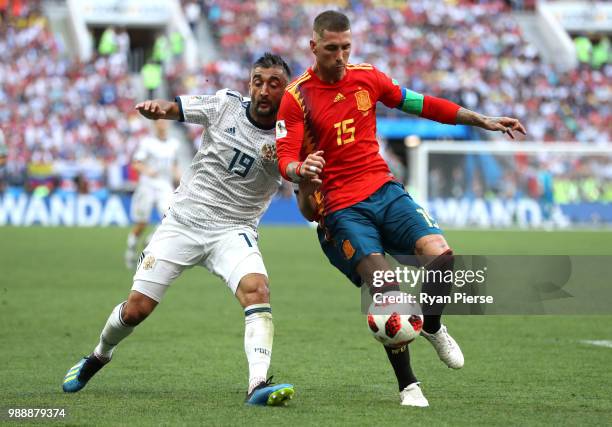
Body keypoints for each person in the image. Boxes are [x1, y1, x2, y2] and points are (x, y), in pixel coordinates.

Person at [276, 10, 526, 407]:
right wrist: (299, 168)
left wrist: (480, 119)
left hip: (385, 190)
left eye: (346, 47)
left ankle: (431, 325)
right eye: (331, 48)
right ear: (313, 47)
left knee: (442, 256)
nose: (340, 56)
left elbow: (420, 103)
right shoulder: (296, 97)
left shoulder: (368, 77)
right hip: (341, 208)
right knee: (385, 287)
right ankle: (409, 385)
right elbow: (284, 155)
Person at [62, 53, 295, 406]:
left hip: (233, 230)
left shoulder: (290, 136)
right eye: (257, 81)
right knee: (136, 309)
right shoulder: (224, 105)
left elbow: (300, 172)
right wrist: (160, 108)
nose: (264, 90)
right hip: (183, 222)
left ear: (286, 89)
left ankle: (257, 385)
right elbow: (177, 109)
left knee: (257, 290)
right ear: (249, 84)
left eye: (274, 84)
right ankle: (99, 355)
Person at [125, 119, 181, 269]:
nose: (162, 125)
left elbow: (174, 165)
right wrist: (147, 170)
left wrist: (181, 179)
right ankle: (131, 249)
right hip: (147, 185)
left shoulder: (174, 144)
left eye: (164, 122)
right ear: (155, 125)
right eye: (159, 123)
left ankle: (150, 240)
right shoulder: (147, 143)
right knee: (142, 222)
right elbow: (136, 163)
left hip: (164, 185)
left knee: (170, 217)